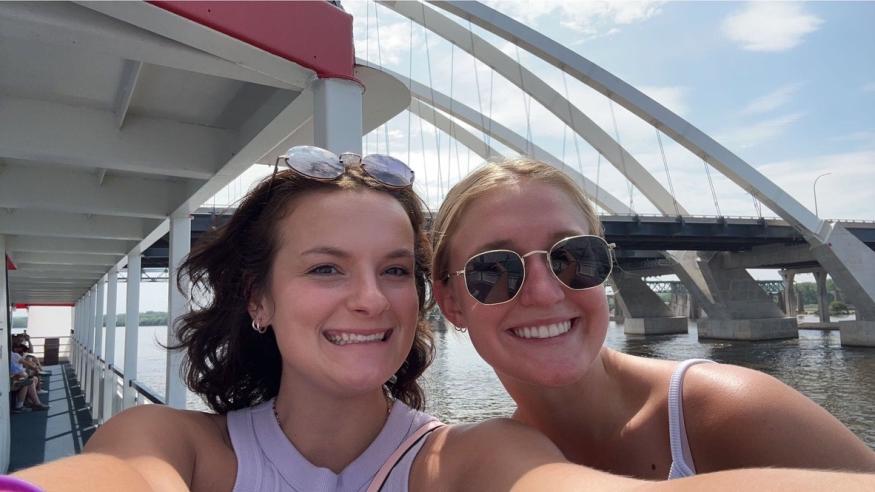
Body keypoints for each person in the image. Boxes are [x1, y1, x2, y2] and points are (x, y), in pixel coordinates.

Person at [12, 149, 875, 491]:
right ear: (258, 300)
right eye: (323, 268)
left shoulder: (469, 455)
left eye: (393, 270)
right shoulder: (166, 442)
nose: (367, 298)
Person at [431, 158, 875, 479]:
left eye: (574, 257)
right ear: (451, 302)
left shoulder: (723, 411)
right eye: (493, 270)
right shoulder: (486, 466)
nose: (545, 292)